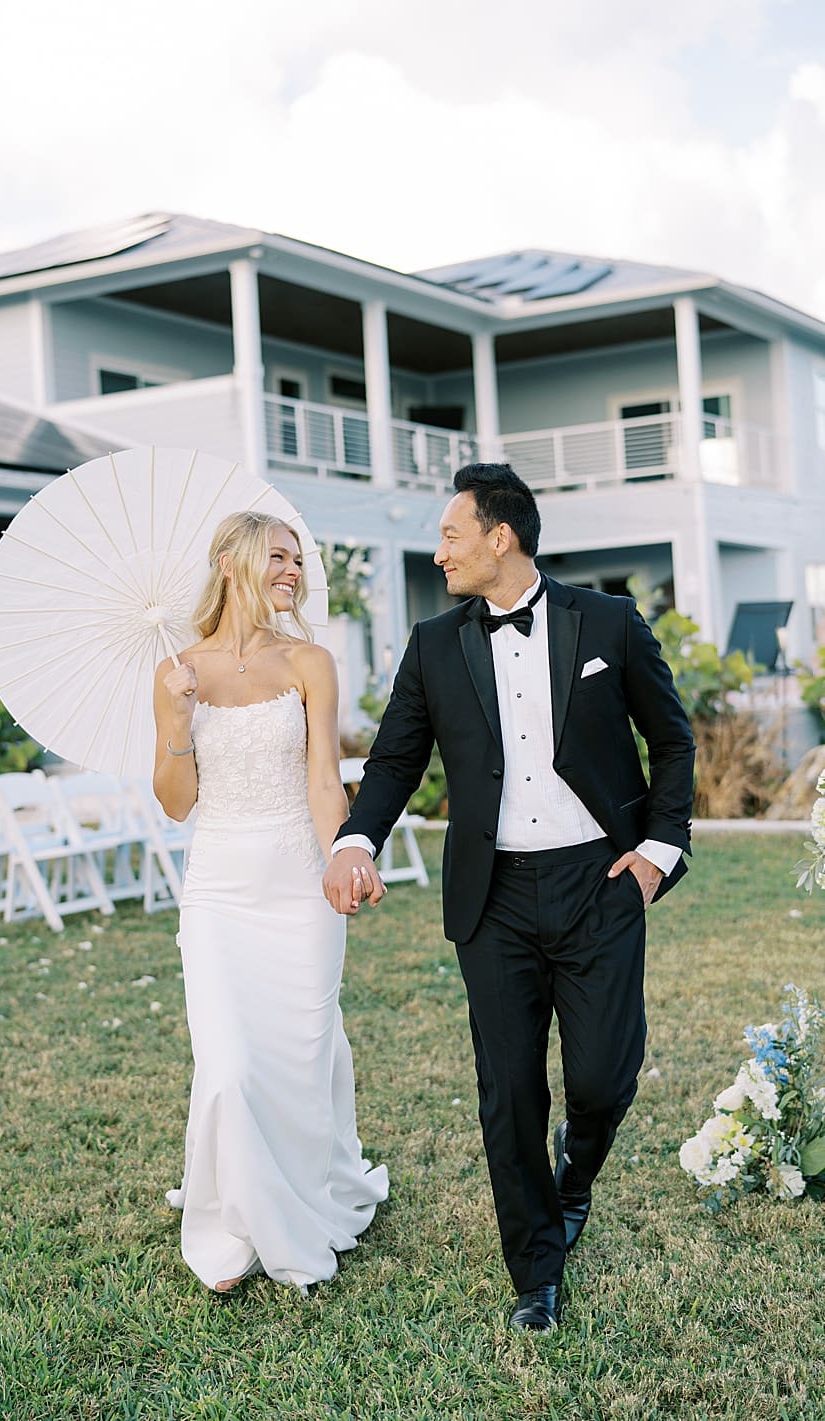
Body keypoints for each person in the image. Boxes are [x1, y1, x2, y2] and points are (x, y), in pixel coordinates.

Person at [324, 462, 695, 1332]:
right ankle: (536, 1269)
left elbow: (672, 741)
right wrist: (353, 839)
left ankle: (578, 1172)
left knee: (604, 1076)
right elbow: (394, 762)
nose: (439, 549)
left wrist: (657, 850)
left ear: (502, 537)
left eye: (451, 534)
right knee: (509, 1089)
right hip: (491, 896)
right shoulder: (432, 642)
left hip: (599, 882)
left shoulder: (606, 622)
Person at [151, 510, 388, 1294]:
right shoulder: (175, 670)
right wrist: (177, 718)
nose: (294, 570)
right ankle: (233, 1228)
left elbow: (325, 779)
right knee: (227, 1066)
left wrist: (348, 855)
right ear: (230, 562)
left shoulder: (311, 662)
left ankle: (300, 1203)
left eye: (297, 559)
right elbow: (177, 802)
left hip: (298, 884)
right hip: (219, 888)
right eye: (278, 556)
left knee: (299, 1056)